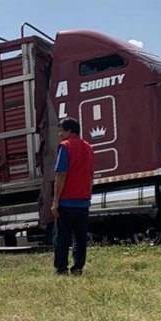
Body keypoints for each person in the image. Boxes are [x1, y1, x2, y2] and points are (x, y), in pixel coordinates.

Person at [50, 117, 93, 276]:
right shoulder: (88, 147)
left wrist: (55, 202)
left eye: (61, 130)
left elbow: (61, 174)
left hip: (67, 201)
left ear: (69, 131)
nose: (60, 134)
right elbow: (90, 175)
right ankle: (78, 267)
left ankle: (61, 268)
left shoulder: (65, 147)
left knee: (62, 238)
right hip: (83, 201)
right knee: (80, 238)